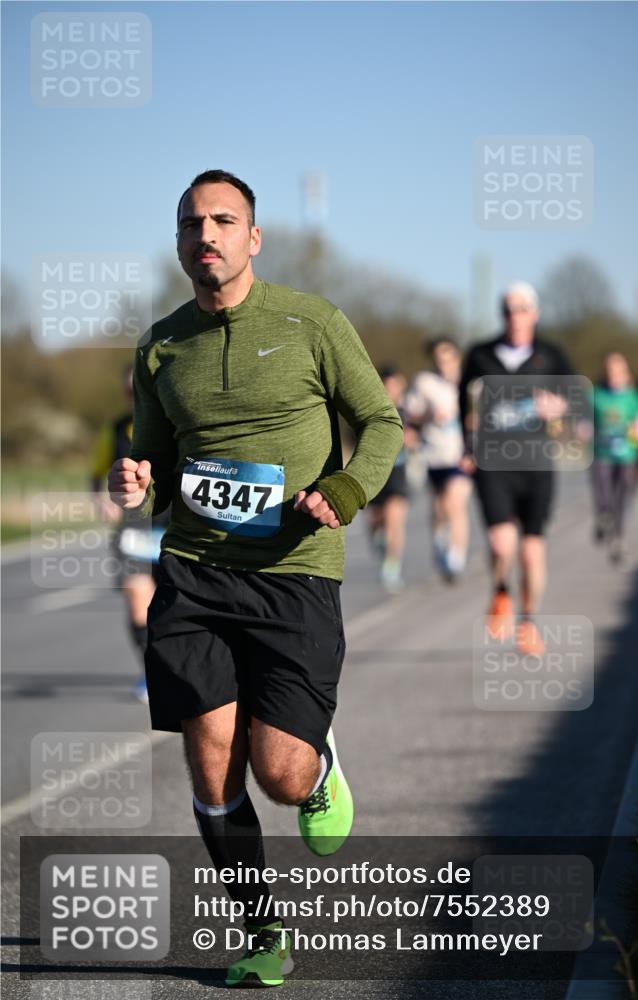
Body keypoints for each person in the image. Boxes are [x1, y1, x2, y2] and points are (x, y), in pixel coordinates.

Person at [108, 170, 403, 987]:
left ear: (252, 238)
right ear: (178, 243)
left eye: (222, 220)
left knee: (279, 775)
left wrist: (343, 490)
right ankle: (263, 930)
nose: (205, 235)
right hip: (196, 574)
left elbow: (381, 422)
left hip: (294, 570)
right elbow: (157, 457)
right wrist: (137, 481)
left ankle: (316, 762)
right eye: (190, 224)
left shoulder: (311, 323)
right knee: (209, 768)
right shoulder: (162, 343)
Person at [459, 282, 576, 656]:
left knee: (530, 549)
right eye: (509, 308)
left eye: (523, 308)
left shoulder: (551, 356)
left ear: (535, 313)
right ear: (502, 314)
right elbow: (465, 404)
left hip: (537, 462)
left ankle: (528, 621)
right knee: (500, 541)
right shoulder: (480, 355)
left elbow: (576, 402)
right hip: (494, 462)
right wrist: (467, 446)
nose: (516, 315)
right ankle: (500, 593)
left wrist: (558, 409)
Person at [90, 366, 166, 703]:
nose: (135, 399)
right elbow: (97, 474)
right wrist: (103, 500)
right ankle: (152, 673)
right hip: (134, 529)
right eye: (130, 393)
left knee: (174, 605)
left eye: (140, 392)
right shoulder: (117, 429)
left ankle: (180, 668)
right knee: (138, 601)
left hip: (173, 526)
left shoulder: (172, 422)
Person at [405, 337, 472, 582]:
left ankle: (456, 556)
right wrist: (426, 416)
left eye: (449, 359)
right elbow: (411, 414)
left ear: (458, 358)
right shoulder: (424, 383)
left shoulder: (470, 382)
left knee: (456, 502)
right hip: (433, 454)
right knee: (440, 507)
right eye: (439, 360)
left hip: (461, 454)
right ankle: (439, 541)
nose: (444, 364)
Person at [590, 353, 638, 563]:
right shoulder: (596, 394)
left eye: (617, 370)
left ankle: (619, 539)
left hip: (627, 456)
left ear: (625, 372)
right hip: (602, 454)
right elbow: (584, 421)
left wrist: (634, 433)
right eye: (609, 370)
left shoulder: (634, 397)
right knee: (604, 494)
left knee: (623, 498)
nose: (613, 374)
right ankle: (604, 520)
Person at [365, 366, 414, 592]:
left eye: (394, 385)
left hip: (398, 472)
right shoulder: (369, 409)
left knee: (395, 519)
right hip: (374, 471)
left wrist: (412, 438)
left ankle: (392, 567)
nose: (390, 390)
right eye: (386, 385)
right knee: (376, 521)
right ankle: (380, 541)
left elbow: (418, 434)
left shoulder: (408, 410)